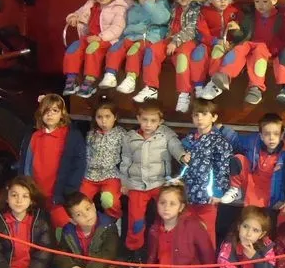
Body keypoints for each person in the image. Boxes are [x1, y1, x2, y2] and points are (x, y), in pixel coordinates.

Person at [122, 184, 216, 268]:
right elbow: (152, 257)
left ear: (181, 207)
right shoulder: (155, 228)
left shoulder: (194, 226)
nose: (166, 208)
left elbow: (207, 254)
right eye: (162, 203)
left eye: (172, 204)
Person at [119, 100, 186, 256]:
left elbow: (176, 146)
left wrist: (182, 156)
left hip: (159, 183)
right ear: (138, 119)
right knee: (135, 221)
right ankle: (134, 251)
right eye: (144, 120)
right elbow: (125, 160)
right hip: (136, 185)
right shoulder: (130, 138)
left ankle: (169, 248)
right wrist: (124, 182)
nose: (148, 124)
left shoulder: (166, 134)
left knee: (168, 213)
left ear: (160, 121)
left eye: (153, 120)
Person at [200, 0, 280, 105]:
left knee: (259, 51)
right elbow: (243, 35)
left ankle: (256, 88)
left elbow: (284, 35)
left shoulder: (280, 16)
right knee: (238, 49)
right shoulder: (250, 15)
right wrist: (237, 31)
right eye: (257, 1)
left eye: (265, 1)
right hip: (249, 44)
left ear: (274, 1)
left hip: (267, 49)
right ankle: (224, 76)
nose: (260, 5)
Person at [133, 0, 205, 112]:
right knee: (152, 50)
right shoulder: (174, 6)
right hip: (170, 38)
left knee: (182, 58)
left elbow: (192, 29)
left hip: (188, 41)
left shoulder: (197, 9)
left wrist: (175, 42)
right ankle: (151, 88)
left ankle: (184, 93)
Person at [18, 94, 86, 232]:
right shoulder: (35, 136)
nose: (50, 114)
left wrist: (69, 189)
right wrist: (27, 187)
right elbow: (27, 164)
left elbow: (78, 164)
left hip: (58, 194)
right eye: (46, 111)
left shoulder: (69, 136)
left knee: (63, 228)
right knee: (38, 228)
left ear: (62, 114)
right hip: (37, 193)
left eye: (55, 110)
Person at [62, 0, 132, 98]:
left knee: (92, 49)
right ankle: (71, 79)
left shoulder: (119, 8)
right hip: (90, 37)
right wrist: (73, 17)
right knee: (73, 48)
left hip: (107, 39)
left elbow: (117, 28)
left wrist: (100, 37)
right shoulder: (92, 4)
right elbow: (79, 12)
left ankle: (90, 81)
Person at [47, 192, 120, 268]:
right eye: (79, 214)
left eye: (87, 209)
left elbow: (108, 254)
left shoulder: (108, 226)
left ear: (94, 207)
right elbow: (60, 253)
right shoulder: (67, 231)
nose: (86, 215)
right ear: (72, 220)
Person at [100, 0, 171, 94]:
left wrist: (149, 5)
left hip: (148, 38)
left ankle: (131, 79)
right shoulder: (133, 8)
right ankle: (110, 74)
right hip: (131, 37)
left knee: (134, 50)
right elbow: (128, 25)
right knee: (116, 48)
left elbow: (161, 19)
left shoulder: (161, 4)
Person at [177, 98, 233, 245]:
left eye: (204, 114)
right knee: (185, 231)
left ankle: (207, 267)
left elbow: (223, 168)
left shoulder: (220, 142)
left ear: (214, 117)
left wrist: (218, 191)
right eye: (196, 115)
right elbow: (183, 167)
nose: (199, 118)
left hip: (207, 197)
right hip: (187, 195)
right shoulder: (188, 140)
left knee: (206, 233)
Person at [220, 113, 285, 211]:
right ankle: (235, 189)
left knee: (259, 215)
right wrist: (221, 128)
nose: (271, 138)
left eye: (276, 134)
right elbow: (236, 140)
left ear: (282, 135)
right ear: (261, 136)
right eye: (267, 134)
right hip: (252, 181)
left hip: (271, 188)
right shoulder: (253, 142)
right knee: (238, 158)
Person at [196, 0, 244, 95]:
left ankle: (219, 82)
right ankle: (214, 81)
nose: (223, 1)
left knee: (235, 54)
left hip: (233, 44)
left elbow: (244, 29)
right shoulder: (204, 12)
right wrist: (215, 41)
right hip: (214, 44)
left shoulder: (235, 10)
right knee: (217, 51)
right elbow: (202, 35)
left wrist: (238, 27)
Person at [81, 102, 127, 221]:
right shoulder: (91, 134)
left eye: (108, 117)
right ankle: (89, 225)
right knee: (81, 201)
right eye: (99, 117)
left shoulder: (121, 134)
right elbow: (85, 154)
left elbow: (128, 155)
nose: (104, 121)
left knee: (109, 201)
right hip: (90, 175)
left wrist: (126, 179)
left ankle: (113, 224)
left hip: (110, 175)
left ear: (115, 117)